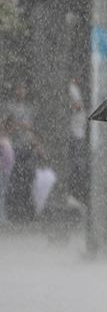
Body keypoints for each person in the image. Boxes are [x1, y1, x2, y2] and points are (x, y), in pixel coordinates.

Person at [6, 82, 43, 222]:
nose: (21, 91)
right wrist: (18, 125)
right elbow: (5, 128)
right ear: (15, 90)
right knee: (15, 180)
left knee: (29, 177)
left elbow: (30, 131)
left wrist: (37, 144)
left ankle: (28, 211)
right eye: (19, 88)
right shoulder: (9, 108)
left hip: (27, 148)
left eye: (23, 89)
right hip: (13, 147)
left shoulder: (28, 109)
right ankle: (13, 212)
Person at [67, 74, 88, 202]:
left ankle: (79, 191)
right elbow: (72, 105)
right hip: (75, 131)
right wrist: (79, 107)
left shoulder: (76, 89)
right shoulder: (70, 88)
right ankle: (76, 191)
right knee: (78, 162)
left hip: (80, 130)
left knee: (80, 161)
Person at [0, 117, 15, 222]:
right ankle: (2, 216)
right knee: (2, 193)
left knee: (3, 193)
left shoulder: (5, 137)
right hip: (2, 170)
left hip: (6, 170)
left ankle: (2, 215)